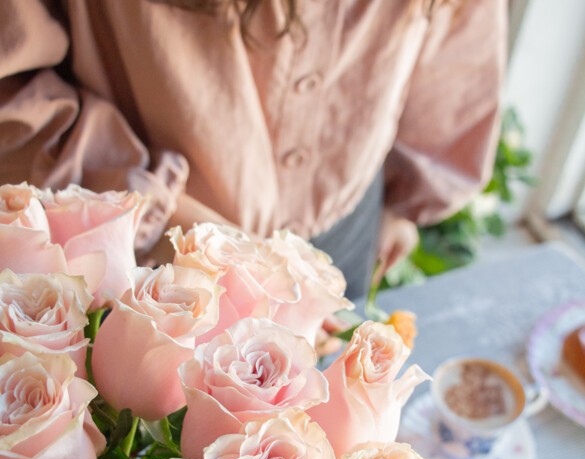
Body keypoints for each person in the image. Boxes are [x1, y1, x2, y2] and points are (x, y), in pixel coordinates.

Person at [0, 0, 506, 299]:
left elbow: (459, 39)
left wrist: (404, 200)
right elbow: (13, 82)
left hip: (344, 220)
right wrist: (154, 209)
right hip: (144, 237)